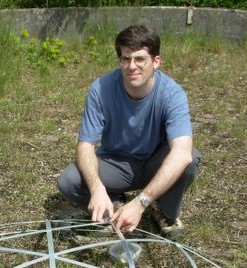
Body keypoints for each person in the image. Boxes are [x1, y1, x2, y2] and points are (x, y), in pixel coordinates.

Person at [57, 24, 201, 238]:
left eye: (140, 59)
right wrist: (97, 189)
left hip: (154, 162)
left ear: (156, 61)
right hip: (116, 164)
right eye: (125, 59)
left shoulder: (172, 94)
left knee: (190, 159)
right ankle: (112, 203)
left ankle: (164, 210)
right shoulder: (101, 89)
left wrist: (141, 202)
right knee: (69, 180)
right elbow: (85, 145)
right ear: (119, 61)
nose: (132, 66)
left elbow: (182, 153)